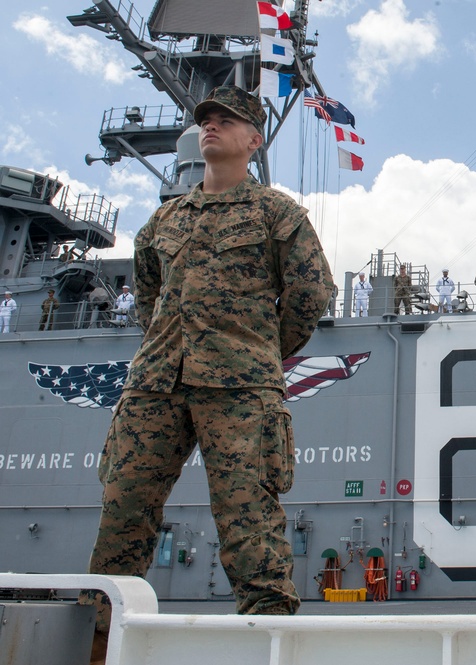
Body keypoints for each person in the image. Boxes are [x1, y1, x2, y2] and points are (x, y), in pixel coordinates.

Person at [83, 86, 334, 648]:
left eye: (227, 120)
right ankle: (95, 639)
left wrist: (259, 353)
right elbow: (148, 294)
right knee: (123, 511)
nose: (211, 127)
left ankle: (266, 640)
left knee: (248, 517)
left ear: (253, 139)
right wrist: (165, 345)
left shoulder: (276, 213)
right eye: (206, 121)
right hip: (154, 386)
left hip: (241, 388)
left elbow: (311, 293)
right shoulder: (164, 220)